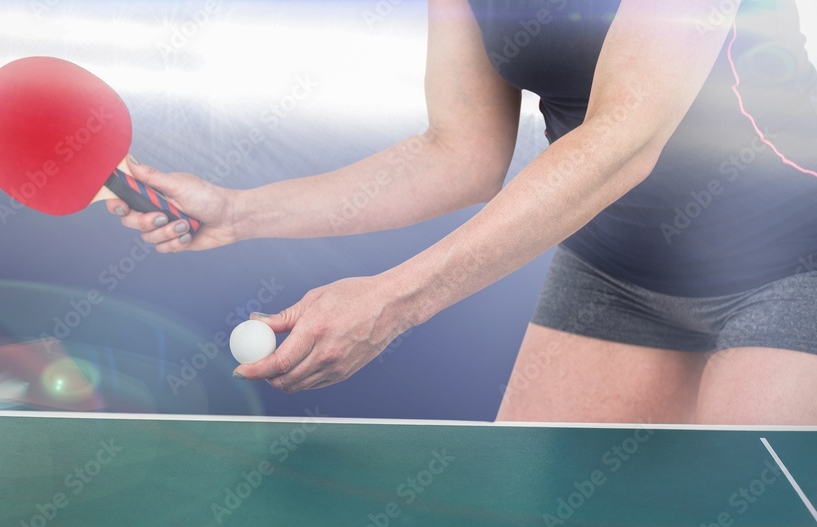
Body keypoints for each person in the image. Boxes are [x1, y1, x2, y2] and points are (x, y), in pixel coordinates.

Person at [107, 0, 817, 425]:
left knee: (755, 502)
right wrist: (237, 212)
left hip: (791, 260)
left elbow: (623, 140)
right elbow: (460, 154)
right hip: (612, 270)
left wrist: (390, 300)